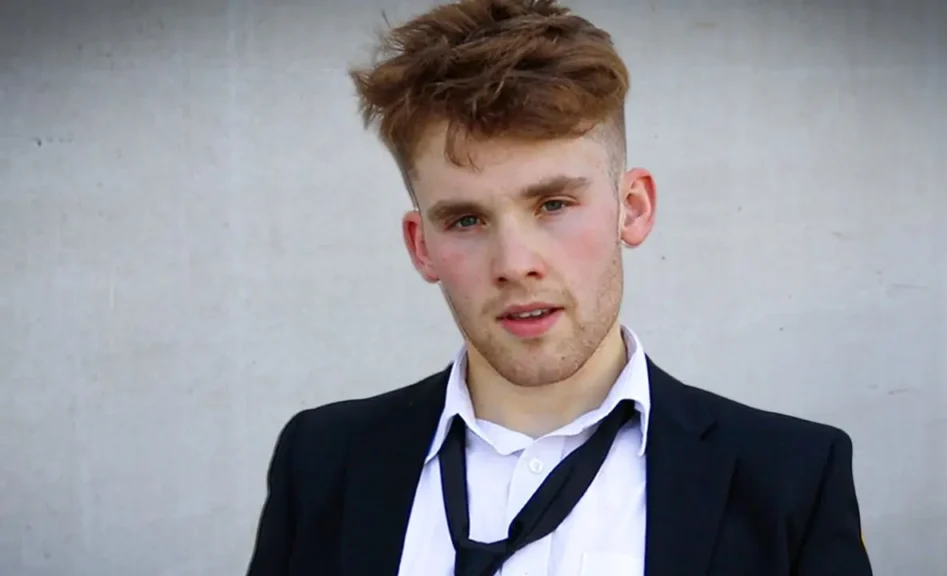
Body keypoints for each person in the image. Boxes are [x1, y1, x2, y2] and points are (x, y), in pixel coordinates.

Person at [244, 0, 873, 574]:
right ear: (421, 245)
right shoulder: (321, 462)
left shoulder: (791, 478)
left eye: (553, 204)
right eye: (466, 220)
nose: (515, 264)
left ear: (633, 208)